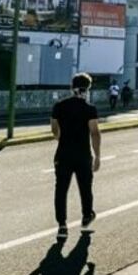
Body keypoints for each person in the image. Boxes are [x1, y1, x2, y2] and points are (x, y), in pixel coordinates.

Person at [51, 73, 102, 240]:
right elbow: (95, 133)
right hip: (83, 154)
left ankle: (62, 225)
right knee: (85, 188)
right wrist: (97, 156)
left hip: (63, 153)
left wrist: (63, 138)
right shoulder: (89, 109)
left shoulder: (59, 106)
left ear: (71, 87)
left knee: (61, 189)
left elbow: (54, 130)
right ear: (88, 88)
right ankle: (87, 217)